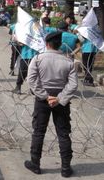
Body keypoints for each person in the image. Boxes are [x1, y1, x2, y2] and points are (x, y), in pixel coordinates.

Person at [24, 31, 78, 178]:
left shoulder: (37, 59)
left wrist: (46, 96)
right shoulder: (68, 62)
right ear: (59, 44)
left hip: (43, 100)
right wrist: (59, 98)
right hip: (61, 101)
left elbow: (31, 80)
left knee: (39, 132)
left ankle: (35, 164)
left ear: (47, 44)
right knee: (63, 133)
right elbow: (73, 85)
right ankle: (66, 168)